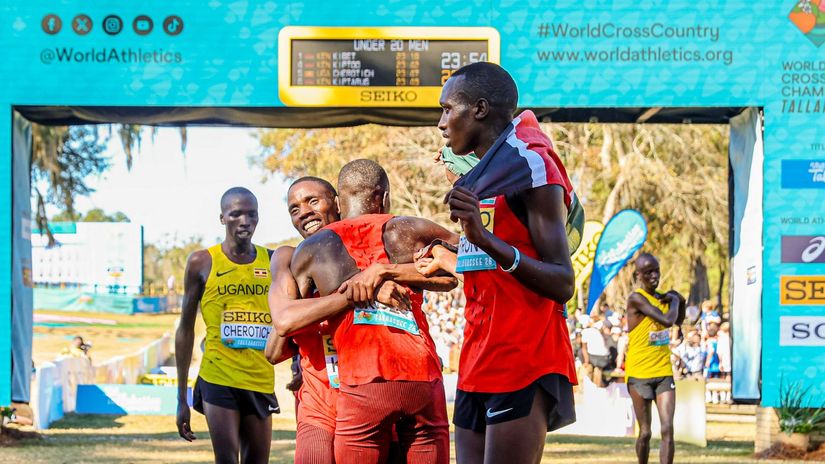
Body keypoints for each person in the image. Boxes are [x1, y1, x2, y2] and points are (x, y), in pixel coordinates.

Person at [434, 62, 578, 464]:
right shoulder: (479, 177)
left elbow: (563, 281)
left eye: (448, 109)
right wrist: (446, 255)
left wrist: (484, 239)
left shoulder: (532, 167)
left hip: (524, 356)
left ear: (479, 109)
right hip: (476, 355)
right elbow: (488, 263)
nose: (441, 123)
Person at [272, 160, 459, 464]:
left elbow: (456, 270)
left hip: (369, 387)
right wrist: (359, 290)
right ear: (383, 197)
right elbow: (278, 338)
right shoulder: (291, 256)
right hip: (330, 402)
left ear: (338, 203)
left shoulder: (333, 248)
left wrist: (383, 273)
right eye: (294, 208)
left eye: (313, 202)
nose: (304, 212)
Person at [175, 187, 278, 464]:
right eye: (236, 214)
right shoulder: (202, 262)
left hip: (259, 377)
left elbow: (290, 319)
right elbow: (185, 328)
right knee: (227, 459)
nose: (245, 221)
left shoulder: (273, 261)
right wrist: (181, 398)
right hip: (218, 376)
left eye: (252, 214)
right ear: (222, 218)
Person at [625, 253, 686, 464]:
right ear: (638, 275)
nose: (654, 276)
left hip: (663, 372)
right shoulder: (636, 299)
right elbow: (668, 320)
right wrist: (675, 300)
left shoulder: (663, 298)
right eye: (648, 272)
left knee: (667, 428)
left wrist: (681, 302)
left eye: (656, 271)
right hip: (639, 374)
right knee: (645, 432)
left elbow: (678, 320)